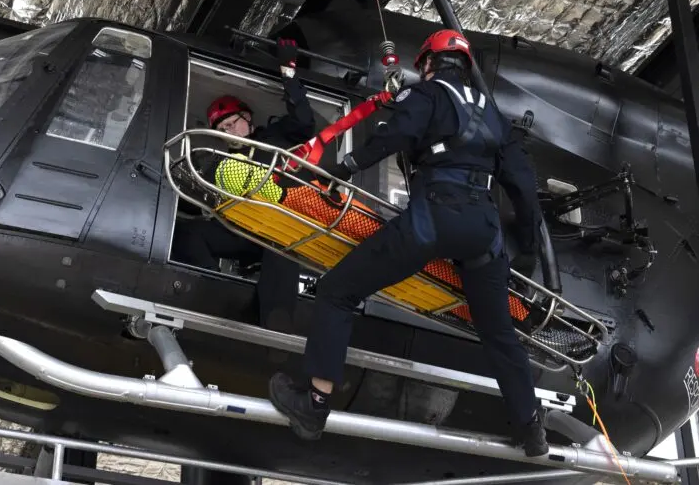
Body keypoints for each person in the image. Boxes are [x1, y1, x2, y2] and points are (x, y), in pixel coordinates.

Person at [266, 29, 550, 457]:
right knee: (498, 333)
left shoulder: (427, 95)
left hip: (432, 220)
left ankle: (314, 405)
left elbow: (394, 137)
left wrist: (344, 167)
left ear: (429, 63)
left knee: (338, 291)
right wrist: (526, 248)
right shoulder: (495, 116)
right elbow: (524, 188)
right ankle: (531, 429)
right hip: (483, 233)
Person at [171, 38, 316, 332]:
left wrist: (288, 71)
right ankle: (213, 293)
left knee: (283, 246)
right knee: (186, 232)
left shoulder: (274, 137)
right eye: (221, 130)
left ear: (247, 118)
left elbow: (304, 122)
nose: (229, 132)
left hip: (279, 225)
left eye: (231, 124)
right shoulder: (222, 163)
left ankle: (276, 323)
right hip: (243, 230)